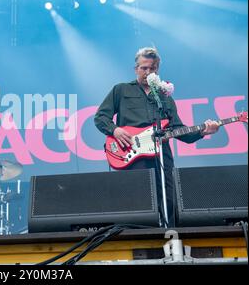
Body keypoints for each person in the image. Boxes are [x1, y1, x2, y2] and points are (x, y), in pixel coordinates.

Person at [94, 47, 219, 227]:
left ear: (157, 70)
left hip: (162, 153)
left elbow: (177, 128)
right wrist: (115, 130)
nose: (148, 72)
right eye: (144, 68)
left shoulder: (165, 97)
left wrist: (203, 131)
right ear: (135, 69)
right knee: (138, 198)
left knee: (169, 196)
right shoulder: (121, 90)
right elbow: (100, 117)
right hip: (132, 153)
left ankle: (172, 236)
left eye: (152, 69)